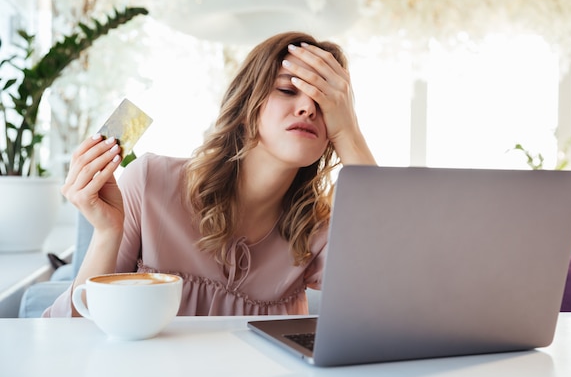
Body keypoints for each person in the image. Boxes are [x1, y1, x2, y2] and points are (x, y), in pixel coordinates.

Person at [44, 31, 376, 317]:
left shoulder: (318, 231)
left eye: (325, 104)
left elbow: (396, 294)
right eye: (288, 90)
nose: (308, 108)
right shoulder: (150, 182)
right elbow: (70, 334)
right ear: (247, 108)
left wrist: (350, 135)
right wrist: (106, 232)